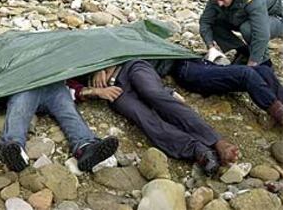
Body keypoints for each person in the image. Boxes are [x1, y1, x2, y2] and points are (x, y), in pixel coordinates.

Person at [68, 60, 239, 176]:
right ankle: (197, 149)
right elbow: (71, 89)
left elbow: (119, 46)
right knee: (141, 116)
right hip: (112, 89)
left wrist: (102, 66)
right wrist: (96, 91)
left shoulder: (92, 40)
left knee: (153, 94)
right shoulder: (63, 65)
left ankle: (216, 141)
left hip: (130, 67)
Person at [0, 82, 119, 172]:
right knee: (19, 110)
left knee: (69, 112)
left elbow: (74, 79)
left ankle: (85, 148)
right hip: (25, 85)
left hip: (56, 86)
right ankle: (15, 151)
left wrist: (92, 91)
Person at [199, 0, 283, 66]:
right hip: (243, 17)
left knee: (247, 29)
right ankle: (244, 52)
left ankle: (264, 62)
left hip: (274, 17)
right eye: (216, 1)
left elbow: (262, 34)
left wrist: (252, 64)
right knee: (215, 22)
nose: (219, 4)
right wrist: (211, 47)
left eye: (222, 0)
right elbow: (205, 21)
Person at [171, 59, 283, 125]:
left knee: (264, 70)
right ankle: (278, 112)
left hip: (199, 62)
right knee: (245, 74)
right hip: (187, 71)